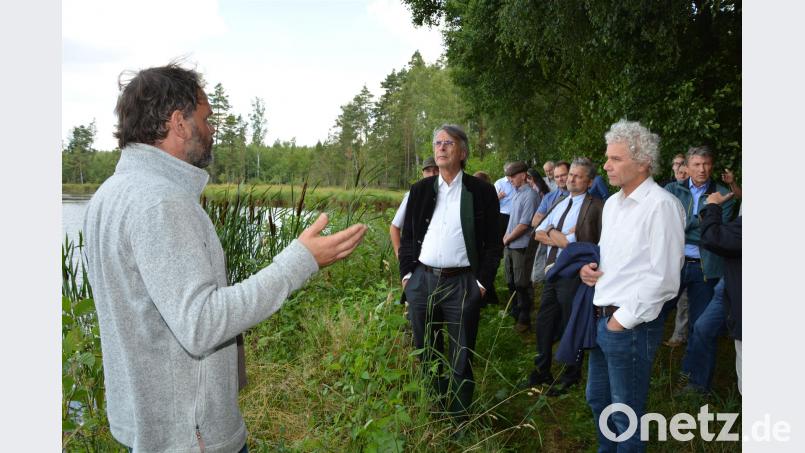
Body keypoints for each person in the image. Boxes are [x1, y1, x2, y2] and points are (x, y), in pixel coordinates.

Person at [82, 64, 367, 453]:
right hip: (191, 437)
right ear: (179, 123)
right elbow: (202, 323)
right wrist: (301, 260)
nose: (212, 128)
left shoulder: (110, 194)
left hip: (153, 428)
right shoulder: (160, 203)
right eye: (207, 117)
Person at [580, 120, 685, 452]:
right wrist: (592, 271)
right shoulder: (612, 205)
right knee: (598, 401)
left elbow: (665, 279)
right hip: (602, 319)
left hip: (632, 326)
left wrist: (620, 321)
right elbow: (621, 262)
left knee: (626, 417)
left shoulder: (661, 206)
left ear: (643, 163)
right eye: (607, 157)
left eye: (616, 159)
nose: (606, 165)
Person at [399, 124, 502, 422]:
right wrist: (408, 277)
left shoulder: (481, 191)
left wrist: (481, 283)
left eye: (448, 143)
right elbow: (407, 238)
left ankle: (458, 419)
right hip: (422, 281)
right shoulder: (419, 190)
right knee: (426, 350)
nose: (441, 147)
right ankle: (434, 412)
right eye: (437, 143)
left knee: (461, 355)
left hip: (463, 283)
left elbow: (494, 243)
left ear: (463, 152)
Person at [527, 157, 603, 395]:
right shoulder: (559, 202)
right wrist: (557, 234)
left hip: (575, 274)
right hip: (553, 272)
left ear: (589, 182)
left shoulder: (596, 206)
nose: (571, 179)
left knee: (573, 322)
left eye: (578, 176)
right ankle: (542, 370)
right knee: (544, 322)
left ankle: (571, 376)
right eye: (571, 175)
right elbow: (537, 233)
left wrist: (557, 235)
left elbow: (580, 245)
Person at [663, 146, 735, 387]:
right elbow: (664, 224)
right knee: (652, 316)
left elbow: (715, 234)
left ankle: (693, 383)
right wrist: (701, 221)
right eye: (697, 164)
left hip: (705, 268)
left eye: (706, 164)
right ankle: (642, 370)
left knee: (700, 327)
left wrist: (682, 224)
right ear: (687, 166)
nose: (702, 169)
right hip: (672, 264)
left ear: (711, 165)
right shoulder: (672, 189)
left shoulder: (723, 194)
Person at [683, 183, 742, 394]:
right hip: (729, 279)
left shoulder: (719, 196)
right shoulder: (673, 188)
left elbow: (714, 237)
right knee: (702, 327)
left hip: (736, 282)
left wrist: (712, 207)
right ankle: (698, 386)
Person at [502, 161, 540, 332]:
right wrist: (506, 236)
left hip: (521, 246)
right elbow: (513, 220)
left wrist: (508, 237)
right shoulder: (516, 193)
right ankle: (515, 313)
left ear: (523, 175)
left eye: (512, 176)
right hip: (510, 244)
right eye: (508, 176)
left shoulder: (530, 195)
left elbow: (525, 224)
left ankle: (525, 320)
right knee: (511, 281)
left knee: (521, 283)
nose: (509, 179)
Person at [389, 157, 439, 258]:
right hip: (419, 263)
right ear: (422, 174)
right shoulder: (413, 195)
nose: (432, 175)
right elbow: (394, 227)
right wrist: (401, 258)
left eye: (436, 170)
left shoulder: (448, 195)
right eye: (428, 171)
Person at [493, 164, 516, 242]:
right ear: (505, 171)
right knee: (501, 237)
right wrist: (498, 197)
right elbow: (491, 200)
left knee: (513, 236)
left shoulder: (517, 181)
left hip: (515, 214)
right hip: (503, 215)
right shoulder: (499, 183)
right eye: (508, 170)